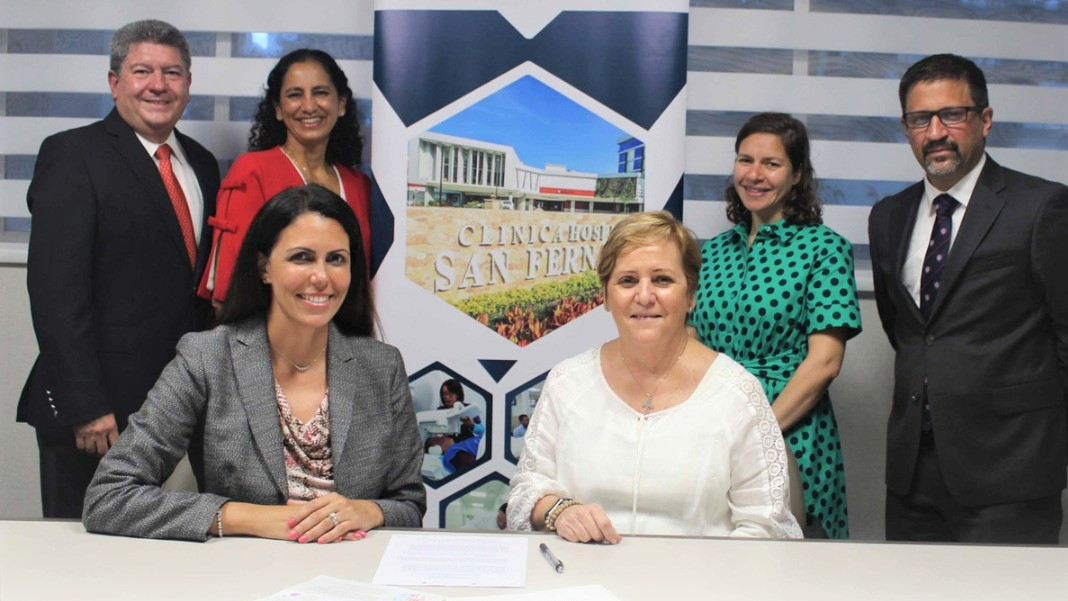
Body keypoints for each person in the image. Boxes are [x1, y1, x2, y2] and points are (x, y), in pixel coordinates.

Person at [83, 186, 425, 542]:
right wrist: (244, 517)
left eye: (336, 259)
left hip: (354, 570)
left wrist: (367, 511)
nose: (321, 277)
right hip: (244, 569)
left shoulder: (382, 367)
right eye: (302, 257)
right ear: (264, 267)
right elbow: (108, 496)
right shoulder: (207, 357)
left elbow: (409, 505)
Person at [17, 20, 220, 518]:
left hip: (180, 410)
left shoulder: (203, 163)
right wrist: (86, 404)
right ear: (115, 82)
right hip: (98, 416)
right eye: (142, 71)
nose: (158, 85)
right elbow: (56, 293)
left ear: (188, 84)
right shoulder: (73, 154)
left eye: (172, 72)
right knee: (83, 554)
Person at [868, 54, 1068, 544]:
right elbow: (909, 332)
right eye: (920, 119)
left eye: (952, 115)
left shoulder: (1041, 206)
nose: (936, 132)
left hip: (1011, 471)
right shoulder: (888, 216)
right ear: (906, 128)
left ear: (985, 119)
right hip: (913, 474)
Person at [509, 211, 802, 543]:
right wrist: (559, 511)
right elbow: (525, 492)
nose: (645, 296)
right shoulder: (566, 383)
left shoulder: (737, 394)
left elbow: (767, 527)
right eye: (627, 281)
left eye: (662, 280)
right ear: (606, 296)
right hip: (580, 571)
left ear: (691, 295)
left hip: (700, 574)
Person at [689, 113, 861, 539]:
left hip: (790, 429)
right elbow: (690, 342)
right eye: (745, 160)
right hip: (713, 430)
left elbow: (825, 363)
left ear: (797, 174)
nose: (754, 174)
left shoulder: (824, 248)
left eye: (771, 163)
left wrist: (757, 433)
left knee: (792, 557)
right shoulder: (712, 252)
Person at [199, 48, 371, 305]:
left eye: (321, 92)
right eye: (295, 95)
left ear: (341, 104)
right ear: (278, 109)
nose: (309, 106)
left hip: (345, 327)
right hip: (272, 328)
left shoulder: (360, 186)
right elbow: (229, 286)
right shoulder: (253, 171)